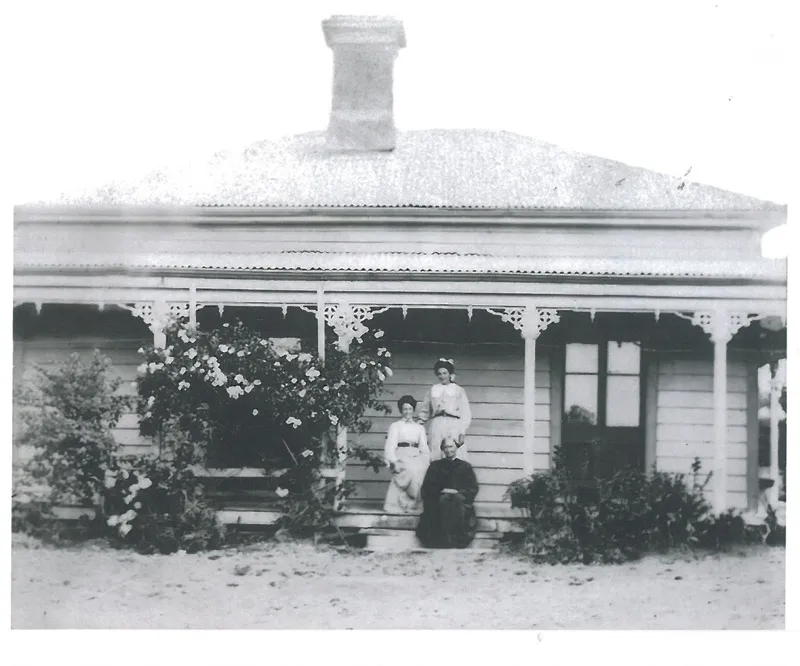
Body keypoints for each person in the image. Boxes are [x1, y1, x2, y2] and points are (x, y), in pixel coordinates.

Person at [415, 437, 479, 549]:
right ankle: (441, 541)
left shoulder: (465, 467)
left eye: (451, 447)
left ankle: (455, 541)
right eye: (446, 447)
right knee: (441, 504)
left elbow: (473, 488)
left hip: (460, 501)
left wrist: (457, 493)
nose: (449, 450)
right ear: (442, 449)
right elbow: (427, 488)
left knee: (455, 504)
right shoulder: (435, 466)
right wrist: (441, 492)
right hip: (438, 501)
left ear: (456, 447)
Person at [383, 395, 430, 514]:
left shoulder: (419, 428)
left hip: (416, 456)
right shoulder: (396, 426)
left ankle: (413, 505)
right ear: (401, 410)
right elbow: (390, 445)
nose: (407, 412)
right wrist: (392, 461)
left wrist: (425, 460)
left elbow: (423, 447)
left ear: (413, 410)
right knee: (409, 469)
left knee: (419, 470)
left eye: (410, 409)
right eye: (405, 409)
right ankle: (400, 504)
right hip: (401, 455)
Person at [417, 358, 472, 461]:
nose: (442, 376)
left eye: (444, 373)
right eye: (439, 374)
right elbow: (425, 412)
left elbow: (465, 413)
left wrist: (462, 432)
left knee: (454, 452)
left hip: (454, 424)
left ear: (449, 374)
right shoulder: (433, 390)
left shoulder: (458, 390)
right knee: (437, 453)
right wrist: (416, 425)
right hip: (437, 424)